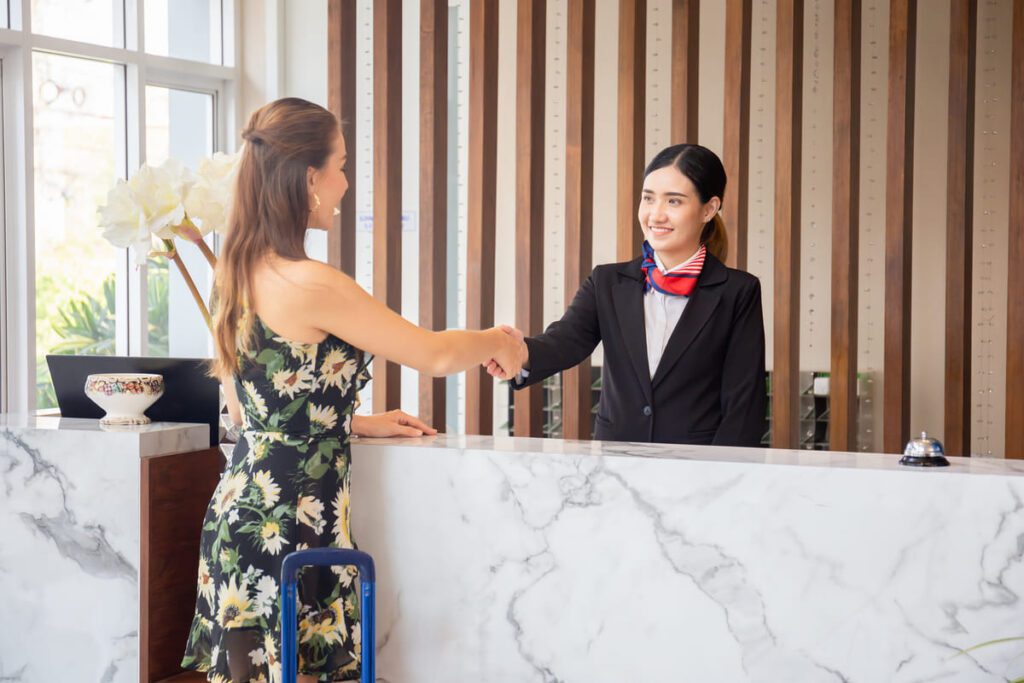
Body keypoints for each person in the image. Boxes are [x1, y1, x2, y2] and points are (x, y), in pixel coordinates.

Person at [182, 97, 524, 683]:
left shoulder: (233, 271)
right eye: (340, 166)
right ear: (309, 179)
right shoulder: (310, 283)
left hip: (239, 519)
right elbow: (433, 353)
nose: (345, 183)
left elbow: (248, 410)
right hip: (291, 527)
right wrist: (501, 340)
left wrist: (349, 421)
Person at [491, 143, 766, 446]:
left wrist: (722, 471)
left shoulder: (738, 292)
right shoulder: (606, 282)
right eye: (648, 198)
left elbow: (743, 406)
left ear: (709, 209)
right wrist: (520, 353)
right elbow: (564, 342)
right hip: (617, 460)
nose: (656, 214)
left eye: (674, 201)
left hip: (696, 464)